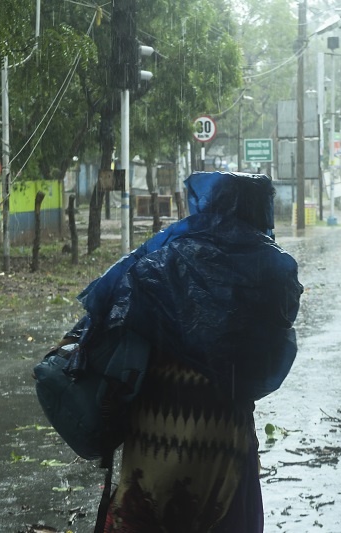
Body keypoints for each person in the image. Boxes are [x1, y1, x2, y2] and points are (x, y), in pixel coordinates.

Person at [55, 172, 302, 532]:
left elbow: (114, 308)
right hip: (223, 421)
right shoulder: (273, 269)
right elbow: (270, 358)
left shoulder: (165, 254)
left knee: (145, 510)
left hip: (156, 412)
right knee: (222, 516)